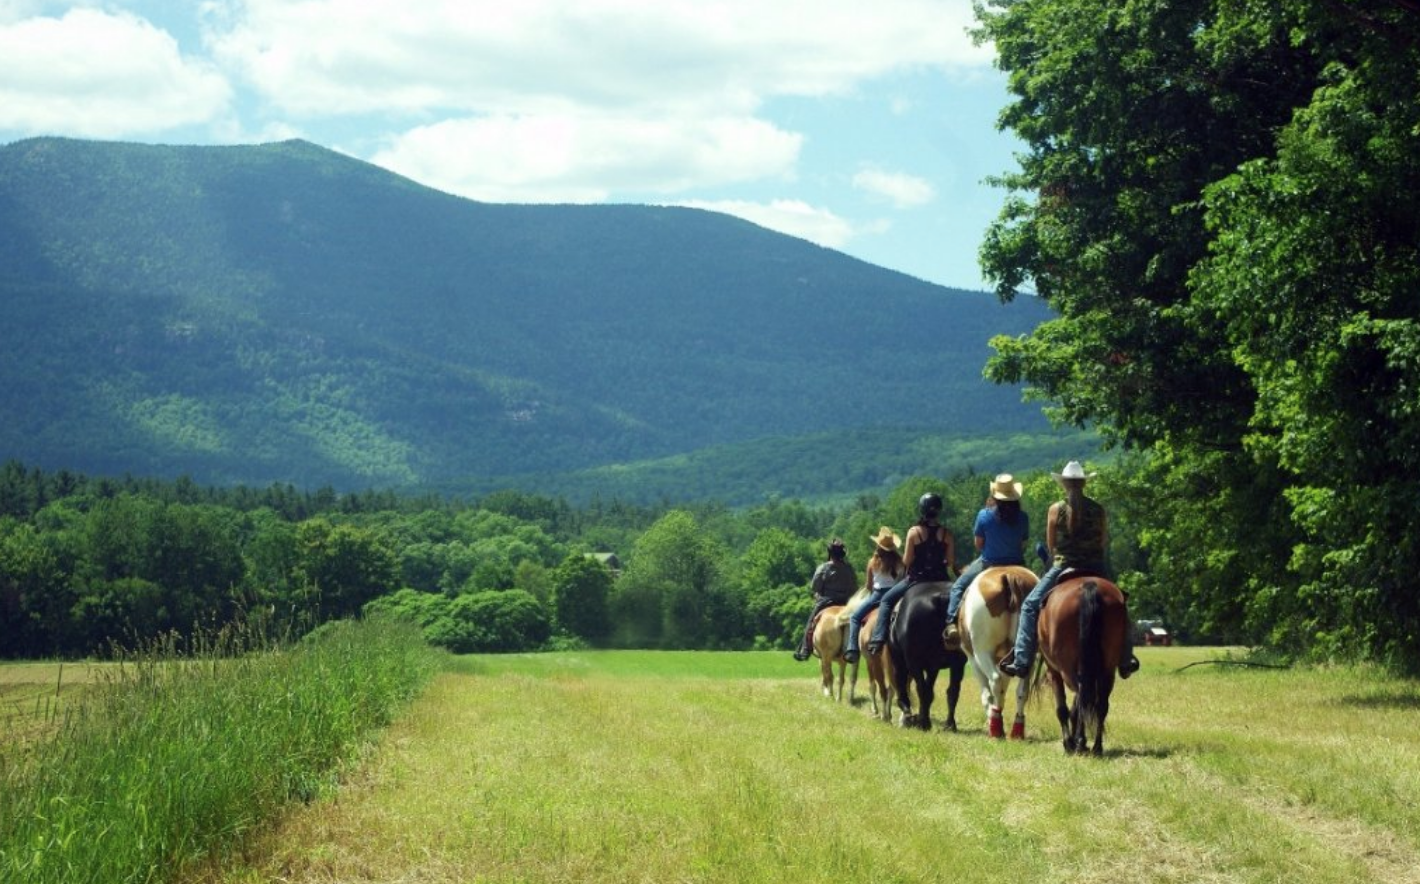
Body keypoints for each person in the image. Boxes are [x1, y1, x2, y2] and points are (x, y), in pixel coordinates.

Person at [998, 461, 1140, 679]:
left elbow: (1051, 544)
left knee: (1029, 606)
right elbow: (1103, 542)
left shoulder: (1055, 509)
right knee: (1120, 603)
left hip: (1064, 565)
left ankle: (1022, 660)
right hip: (1095, 565)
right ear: (1084, 483)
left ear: (1064, 484)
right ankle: (1126, 658)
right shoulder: (1098, 509)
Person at [941, 474, 1030, 650]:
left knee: (958, 586)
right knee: (1040, 593)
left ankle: (951, 623)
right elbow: (1023, 544)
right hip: (1017, 564)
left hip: (989, 562)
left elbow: (978, 544)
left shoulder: (984, 515)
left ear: (995, 496)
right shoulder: (1023, 517)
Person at [863, 492, 955, 658]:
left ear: (922, 510)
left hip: (917, 579)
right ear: (939, 510)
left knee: (886, 600)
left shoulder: (914, 532)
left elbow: (906, 560)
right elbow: (949, 561)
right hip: (941, 578)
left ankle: (878, 639)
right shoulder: (946, 533)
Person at [841, 526, 906, 664]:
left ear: (878, 545)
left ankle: (852, 649)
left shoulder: (872, 562)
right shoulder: (900, 562)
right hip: (896, 595)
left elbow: (869, 586)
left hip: (877, 595)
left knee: (854, 617)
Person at [793, 538, 859, 661]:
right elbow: (854, 588)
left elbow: (815, 588)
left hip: (827, 601)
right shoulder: (849, 569)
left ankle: (805, 648)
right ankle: (854, 648)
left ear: (830, 553)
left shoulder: (823, 568)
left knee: (811, 621)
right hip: (846, 602)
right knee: (858, 620)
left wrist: (818, 596)